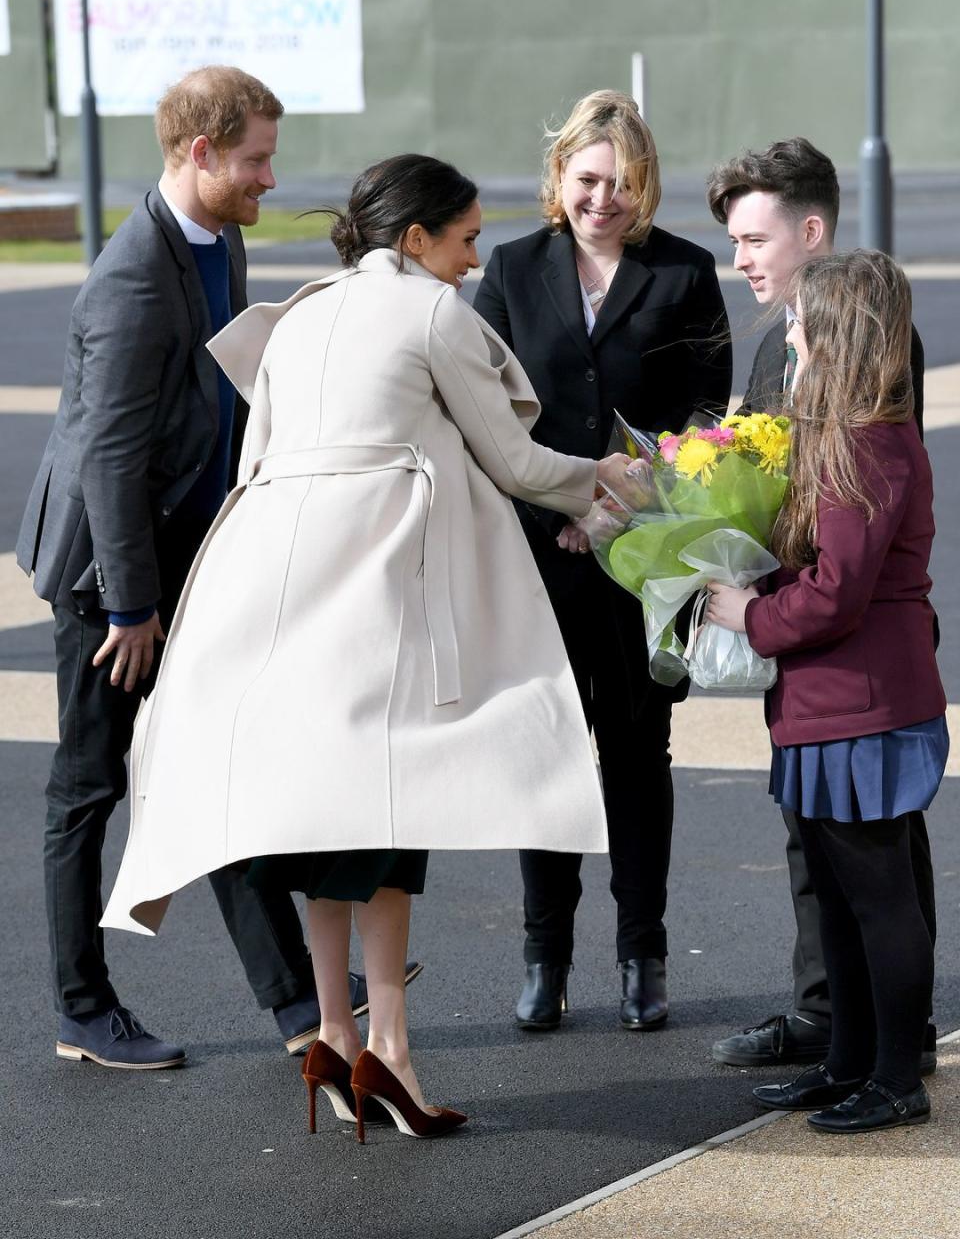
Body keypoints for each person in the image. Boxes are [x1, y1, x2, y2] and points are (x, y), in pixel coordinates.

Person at [100, 153, 631, 1138]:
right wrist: (615, 479)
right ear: (417, 238)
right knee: (389, 818)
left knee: (322, 822)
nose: (474, 260)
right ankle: (389, 1043)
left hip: (274, 594)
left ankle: (334, 1035)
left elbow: (254, 460)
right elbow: (517, 462)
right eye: (466, 239)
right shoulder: (432, 313)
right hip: (382, 588)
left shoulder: (299, 315)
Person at [15, 66, 415, 1071]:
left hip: (180, 561)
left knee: (224, 764)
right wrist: (132, 603)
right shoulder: (128, 279)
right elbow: (106, 453)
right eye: (255, 158)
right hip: (111, 581)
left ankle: (293, 1000)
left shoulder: (217, 238)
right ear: (198, 152)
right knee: (87, 786)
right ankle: (81, 1007)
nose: (269, 178)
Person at [473, 90, 731, 1032]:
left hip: (639, 563)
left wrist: (616, 510)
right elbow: (489, 416)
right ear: (559, 178)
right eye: (588, 179)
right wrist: (566, 503)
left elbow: (708, 424)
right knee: (545, 760)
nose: (604, 199)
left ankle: (642, 955)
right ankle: (546, 957)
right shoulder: (507, 269)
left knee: (636, 759)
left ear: (646, 184)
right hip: (539, 560)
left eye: (623, 183)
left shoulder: (687, 274)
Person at [705, 138, 935, 1074]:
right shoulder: (778, 350)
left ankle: (889, 1049)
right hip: (811, 669)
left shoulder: (868, 379)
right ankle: (839, 1034)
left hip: (855, 664)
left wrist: (753, 613)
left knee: (875, 868)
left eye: (754, 238)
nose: (742, 260)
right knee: (825, 864)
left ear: (812, 232)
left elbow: (851, 548)